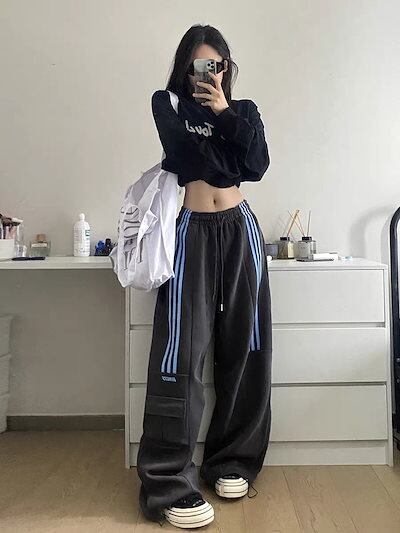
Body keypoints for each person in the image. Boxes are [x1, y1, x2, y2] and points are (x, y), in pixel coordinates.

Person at [136, 24, 272, 529]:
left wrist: (223, 114)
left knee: (247, 345)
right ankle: (168, 479)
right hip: (190, 229)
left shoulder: (244, 111)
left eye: (217, 66)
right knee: (180, 351)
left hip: (241, 230)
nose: (208, 75)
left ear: (227, 69)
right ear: (184, 67)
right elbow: (188, 157)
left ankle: (233, 460)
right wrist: (227, 140)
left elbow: (256, 166)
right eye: (199, 65)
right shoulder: (167, 105)